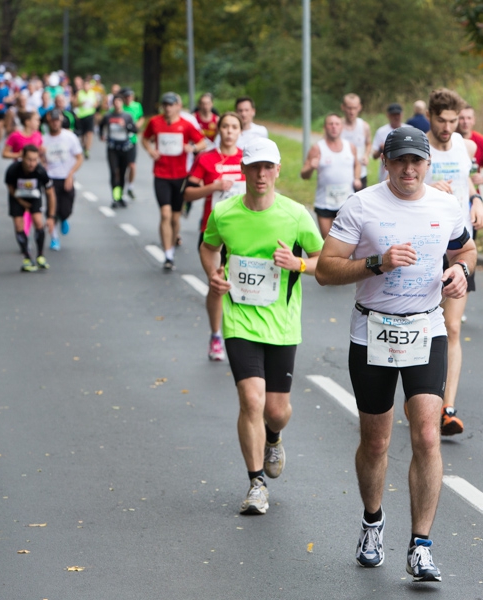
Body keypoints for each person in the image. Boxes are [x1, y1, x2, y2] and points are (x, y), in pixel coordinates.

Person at [314, 126, 477, 582]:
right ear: (385, 162)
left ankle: (421, 545)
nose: (408, 169)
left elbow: (465, 247)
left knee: (427, 434)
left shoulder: (445, 205)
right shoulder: (361, 205)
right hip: (373, 331)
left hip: (426, 327)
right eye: (399, 160)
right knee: (377, 441)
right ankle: (372, 521)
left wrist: (461, 271)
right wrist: (377, 262)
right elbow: (325, 270)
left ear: (428, 164)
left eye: (416, 161)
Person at [200, 137, 323, 515]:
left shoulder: (296, 215)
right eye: (254, 167)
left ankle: (274, 437)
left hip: (282, 324)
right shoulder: (224, 213)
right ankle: (256, 484)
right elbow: (208, 246)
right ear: (243, 170)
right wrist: (213, 275)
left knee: (276, 410)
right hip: (239, 320)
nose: (261, 174)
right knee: (251, 399)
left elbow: (324, 259)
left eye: (268, 167)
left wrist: (298, 264)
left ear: (278, 170)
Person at [426, 88, 483, 436]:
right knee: (424, 325)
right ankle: (421, 396)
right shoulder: (418, 147)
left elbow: (468, 180)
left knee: (452, 327)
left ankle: (446, 408)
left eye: (453, 120)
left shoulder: (466, 146)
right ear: (431, 117)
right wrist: (426, 187)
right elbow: (389, 187)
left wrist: (477, 200)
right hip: (424, 247)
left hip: (459, 247)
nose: (448, 127)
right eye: (442, 120)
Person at [184, 111, 246, 362]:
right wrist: (213, 187)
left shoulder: (247, 159)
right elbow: (188, 193)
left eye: (234, 127)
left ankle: (243, 335)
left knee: (244, 286)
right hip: (214, 234)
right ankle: (216, 335)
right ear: (218, 130)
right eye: (225, 126)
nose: (229, 131)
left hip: (244, 233)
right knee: (217, 284)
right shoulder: (206, 158)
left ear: (240, 131)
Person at [142, 91, 207, 270]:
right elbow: (145, 138)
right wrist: (150, 150)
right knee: (165, 214)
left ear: (178, 106)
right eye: (165, 105)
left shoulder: (186, 125)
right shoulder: (155, 122)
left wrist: (192, 147)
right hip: (161, 174)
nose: (168, 108)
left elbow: (202, 142)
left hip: (180, 176)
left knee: (175, 218)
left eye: (171, 105)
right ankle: (168, 255)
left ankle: (173, 239)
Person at [300, 113, 361, 238]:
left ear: (341, 127)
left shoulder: (350, 147)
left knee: (347, 240)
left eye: (337, 124)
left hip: (346, 203)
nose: (334, 127)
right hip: (324, 204)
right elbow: (304, 175)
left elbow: (357, 164)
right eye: (330, 124)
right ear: (325, 127)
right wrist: (311, 167)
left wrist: (357, 178)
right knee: (327, 241)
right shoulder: (317, 148)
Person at [5, 145, 56, 272]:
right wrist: (21, 202)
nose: (32, 163)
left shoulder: (40, 171)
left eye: (34, 160)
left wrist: (51, 217)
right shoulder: (13, 170)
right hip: (17, 197)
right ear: (22, 157)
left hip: (34, 197)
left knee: (38, 221)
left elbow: (50, 194)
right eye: (29, 159)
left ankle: (40, 255)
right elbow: (10, 187)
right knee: (18, 224)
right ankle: (27, 257)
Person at [41, 109, 84, 251]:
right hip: (50, 178)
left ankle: (64, 217)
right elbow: (39, 158)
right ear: (49, 122)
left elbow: (79, 157)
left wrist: (70, 174)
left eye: (57, 120)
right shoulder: (44, 139)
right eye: (53, 121)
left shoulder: (69, 137)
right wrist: (42, 162)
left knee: (66, 209)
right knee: (51, 210)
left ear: (61, 121)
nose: (55, 123)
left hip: (66, 177)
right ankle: (54, 238)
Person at [104, 94, 139, 208]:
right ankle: (115, 197)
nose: (117, 104)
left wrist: (126, 125)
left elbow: (135, 130)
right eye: (115, 102)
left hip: (124, 148)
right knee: (114, 172)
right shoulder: (108, 116)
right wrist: (102, 135)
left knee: (123, 173)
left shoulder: (127, 116)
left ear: (122, 103)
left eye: (119, 101)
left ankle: (120, 196)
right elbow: (101, 126)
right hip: (112, 148)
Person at [457, 105, 483, 189]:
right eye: (461, 118)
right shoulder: (447, 139)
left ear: (474, 120)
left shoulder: (482, 142)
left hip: (473, 193)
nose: (465, 121)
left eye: (469, 118)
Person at [340, 93, 371, 190]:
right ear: (343, 107)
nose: (352, 112)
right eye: (349, 108)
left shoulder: (364, 126)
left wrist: (366, 155)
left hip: (361, 174)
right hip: (342, 173)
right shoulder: (337, 126)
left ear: (360, 107)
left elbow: (368, 143)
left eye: (355, 108)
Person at [371, 103, 404, 183]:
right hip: (386, 172)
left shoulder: (409, 129)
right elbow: (374, 156)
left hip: (404, 171)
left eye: (398, 114)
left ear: (402, 115)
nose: (396, 117)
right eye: (393, 115)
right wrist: (381, 149)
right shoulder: (381, 131)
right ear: (388, 115)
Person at [121, 88, 145, 199]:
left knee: (132, 165)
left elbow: (141, 118)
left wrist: (137, 126)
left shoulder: (137, 106)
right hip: (121, 140)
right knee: (121, 167)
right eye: (126, 96)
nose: (128, 98)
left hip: (132, 139)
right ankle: (121, 187)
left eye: (130, 96)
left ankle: (130, 186)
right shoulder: (120, 107)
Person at [72, 76, 98, 159]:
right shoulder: (79, 93)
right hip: (81, 115)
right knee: (83, 134)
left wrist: (94, 105)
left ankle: (87, 149)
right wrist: (80, 104)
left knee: (90, 133)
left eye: (88, 85)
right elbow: (74, 104)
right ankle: (84, 145)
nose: (86, 87)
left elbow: (96, 103)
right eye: (85, 85)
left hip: (90, 114)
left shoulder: (92, 93)